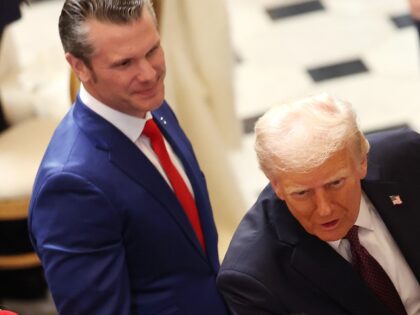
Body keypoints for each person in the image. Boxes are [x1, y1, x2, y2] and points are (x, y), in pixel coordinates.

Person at [28, 1, 230, 314]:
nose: (149, 74)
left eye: (152, 51)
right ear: (79, 66)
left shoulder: (149, 106)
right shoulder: (70, 187)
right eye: (124, 64)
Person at [217, 93, 420, 315]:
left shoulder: (408, 158)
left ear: (362, 162)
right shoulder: (254, 278)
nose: (324, 209)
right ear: (277, 186)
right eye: (302, 193)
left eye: (335, 183)